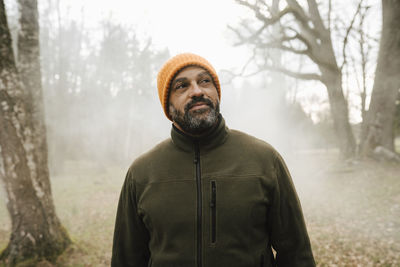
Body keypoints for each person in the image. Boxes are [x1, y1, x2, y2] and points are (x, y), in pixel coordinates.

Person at [111, 53, 315, 267]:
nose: (197, 91)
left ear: (216, 92)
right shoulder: (142, 173)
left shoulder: (264, 160)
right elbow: (126, 259)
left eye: (204, 81)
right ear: (168, 105)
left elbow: (296, 254)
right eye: (182, 86)